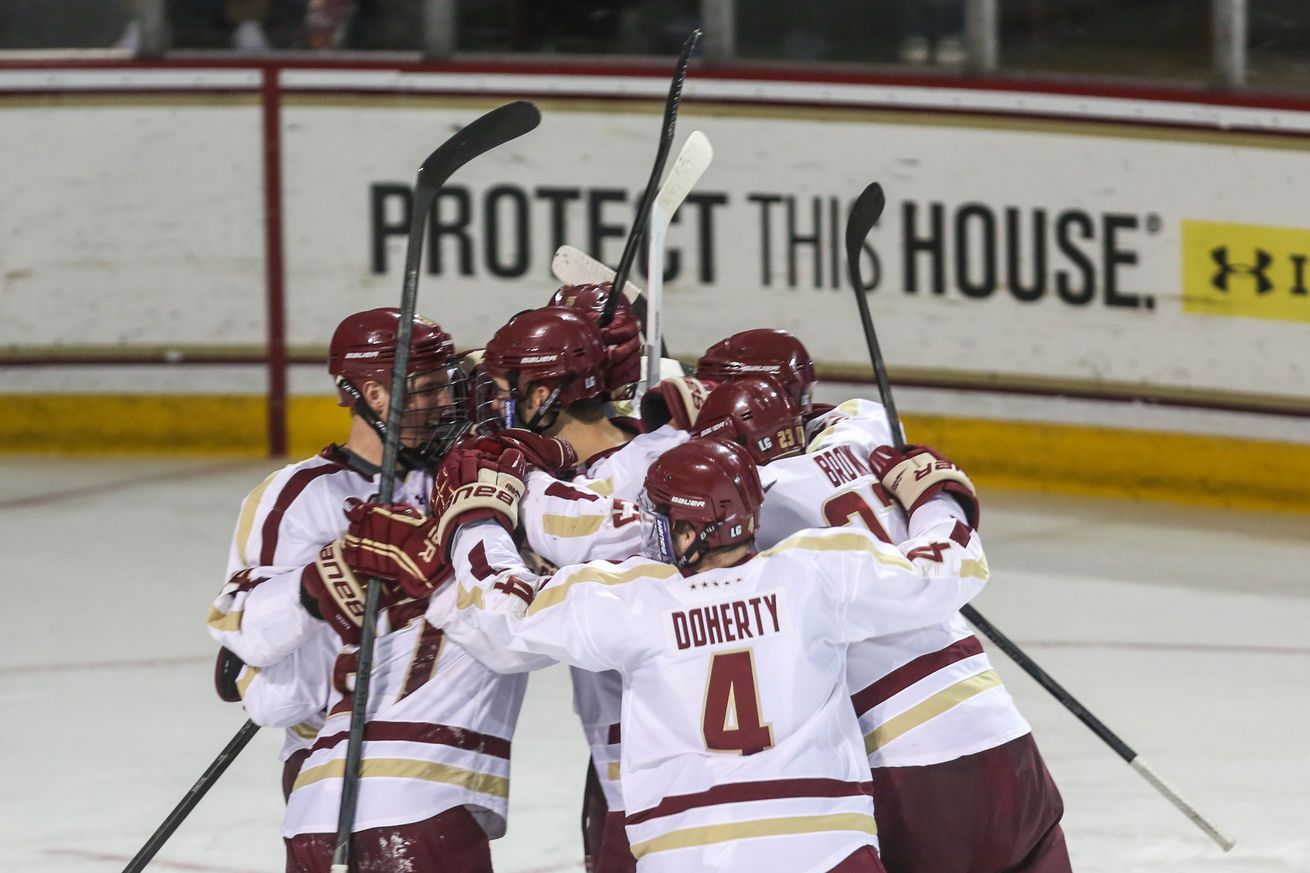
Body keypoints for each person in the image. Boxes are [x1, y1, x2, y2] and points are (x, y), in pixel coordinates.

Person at [407, 436, 989, 873]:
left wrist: (477, 519)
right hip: (827, 849)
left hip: (694, 853)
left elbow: (500, 619)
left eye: (658, 517)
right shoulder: (815, 570)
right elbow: (949, 569)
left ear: (687, 532)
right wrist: (938, 495)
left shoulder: (634, 600)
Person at [690, 375, 1072, 873]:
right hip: (996, 724)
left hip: (901, 755)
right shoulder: (862, 435)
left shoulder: (750, 509)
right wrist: (937, 496)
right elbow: (854, 413)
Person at [208, 307, 514, 872]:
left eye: (445, 388)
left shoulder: (453, 478)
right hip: (327, 763)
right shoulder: (300, 495)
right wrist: (319, 584)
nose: (443, 404)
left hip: (432, 771)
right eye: (424, 390)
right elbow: (246, 641)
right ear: (373, 394)